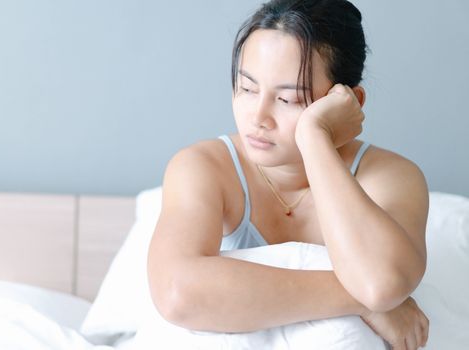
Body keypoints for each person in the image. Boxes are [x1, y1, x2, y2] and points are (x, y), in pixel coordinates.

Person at [147, 0, 429, 349]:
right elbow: (177, 293)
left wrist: (315, 137)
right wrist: (362, 303)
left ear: (347, 101)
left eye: (289, 100)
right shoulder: (204, 167)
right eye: (247, 89)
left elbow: (381, 284)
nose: (258, 117)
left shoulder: (391, 177)